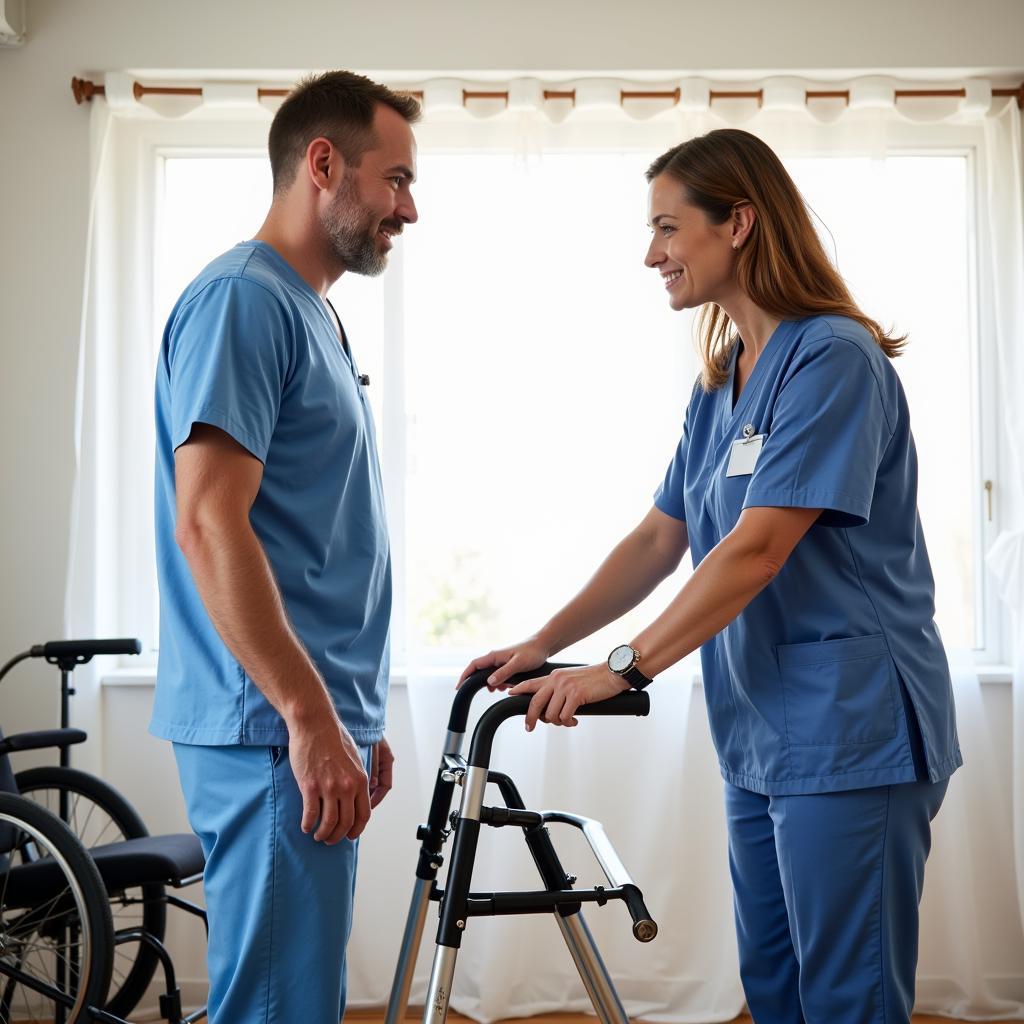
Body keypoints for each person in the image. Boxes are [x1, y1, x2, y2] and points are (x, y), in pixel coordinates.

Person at [460, 128, 961, 1023]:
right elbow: (662, 536)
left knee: (846, 999)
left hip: (851, 730)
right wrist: (545, 642)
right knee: (773, 989)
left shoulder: (833, 359)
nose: (650, 253)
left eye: (666, 227)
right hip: (762, 733)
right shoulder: (724, 373)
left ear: (738, 223)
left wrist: (625, 665)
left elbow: (758, 548)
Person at [151, 70, 419, 1023]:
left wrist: (350, 713)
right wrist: (310, 718)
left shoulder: (310, 310)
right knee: (277, 1011)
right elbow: (209, 523)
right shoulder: (243, 302)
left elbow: (316, 534)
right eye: (395, 180)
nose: (409, 208)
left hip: (300, 718)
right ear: (323, 164)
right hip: (271, 726)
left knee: (293, 999)